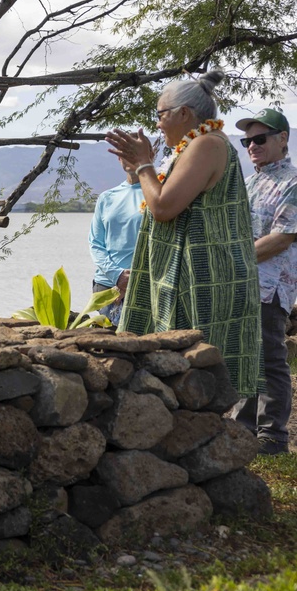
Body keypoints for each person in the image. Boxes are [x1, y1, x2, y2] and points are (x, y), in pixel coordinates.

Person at [105, 71, 261, 399]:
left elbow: (162, 207)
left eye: (161, 115)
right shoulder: (192, 146)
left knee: (196, 377)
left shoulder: (206, 144)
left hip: (204, 277)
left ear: (184, 114)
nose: (158, 124)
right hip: (192, 273)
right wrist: (140, 168)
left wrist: (144, 164)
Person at [229, 109, 297, 455]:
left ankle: (272, 437)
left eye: (260, 138)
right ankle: (243, 429)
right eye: (246, 141)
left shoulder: (294, 183)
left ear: (283, 139)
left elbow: (282, 237)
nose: (252, 146)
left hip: (270, 287)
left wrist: (231, 260)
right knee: (244, 358)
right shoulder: (248, 181)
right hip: (240, 286)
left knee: (269, 358)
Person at [88, 159, 144, 327]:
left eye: (133, 152)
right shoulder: (106, 198)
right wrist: (117, 276)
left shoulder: (160, 195)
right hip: (106, 286)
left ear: (150, 154)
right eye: (124, 153)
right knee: (105, 349)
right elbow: (96, 243)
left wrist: (134, 279)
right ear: (119, 158)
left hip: (144, 285)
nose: (129, 157)